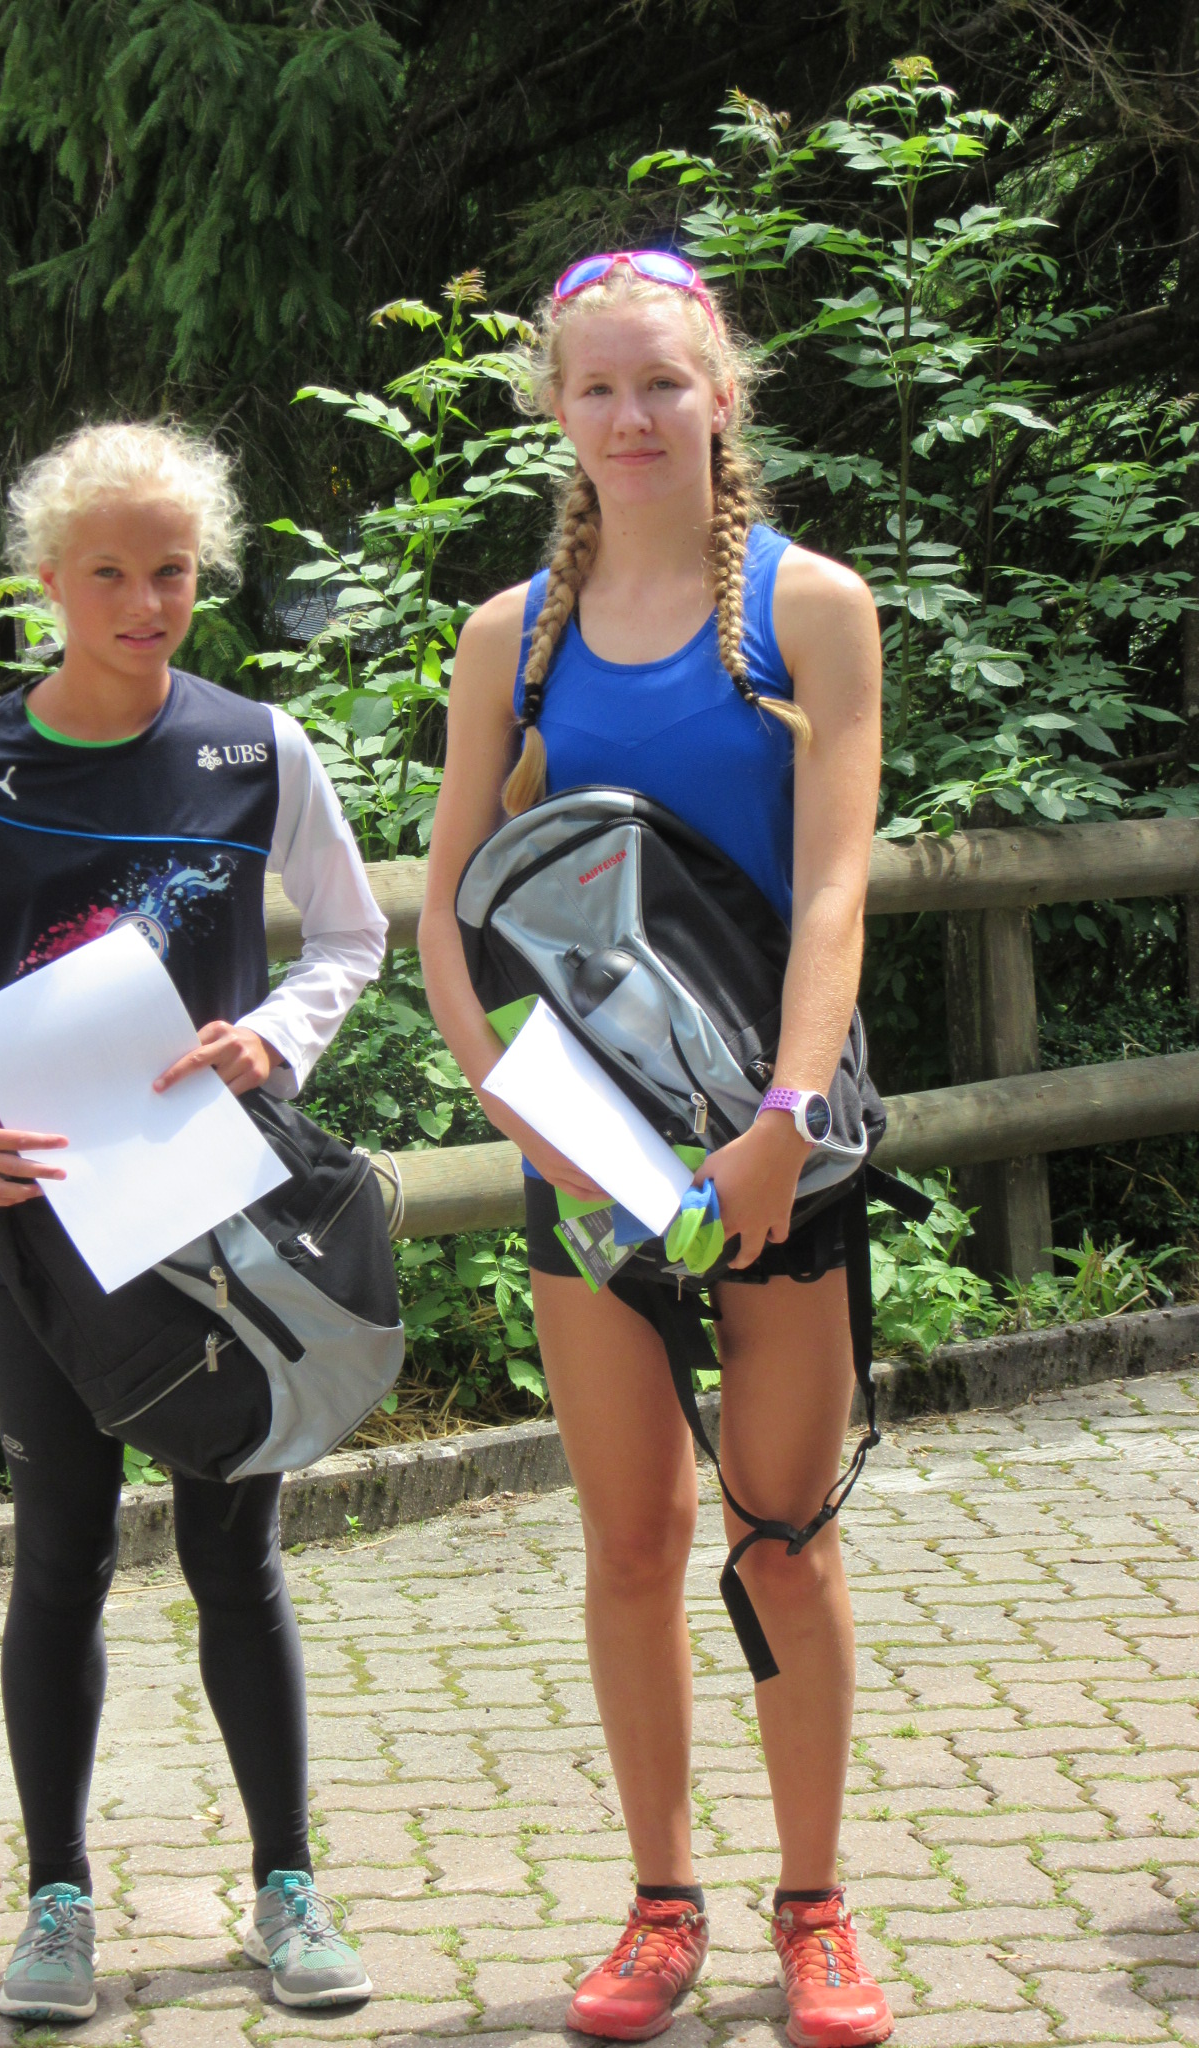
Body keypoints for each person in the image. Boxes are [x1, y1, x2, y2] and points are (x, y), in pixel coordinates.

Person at [418, 251, 892, 2048]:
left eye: (663, 383)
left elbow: (835, 891)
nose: (632, 416)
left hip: (781, 1147)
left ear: (721, 395)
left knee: (782, 1537)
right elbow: (451, 903)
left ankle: (815, 1911)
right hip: (589, 1156)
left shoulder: (810, 611)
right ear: (558, 409)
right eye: (599, 387)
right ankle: (660, 1905)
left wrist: (780, 1122)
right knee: (631, 1542)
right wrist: (511, 1101)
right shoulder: (512, 639)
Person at [0, 422, 387, 2025]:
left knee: (238, 1560)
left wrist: (273, 1040)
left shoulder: (256, 747)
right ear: (48, 580)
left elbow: (350, 937)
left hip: (218, 1229)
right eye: (110, 573)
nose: (146, 603)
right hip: (42, 1235)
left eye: (172, 572)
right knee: (60, 1564)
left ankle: (286, 1885)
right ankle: (57, 1903)